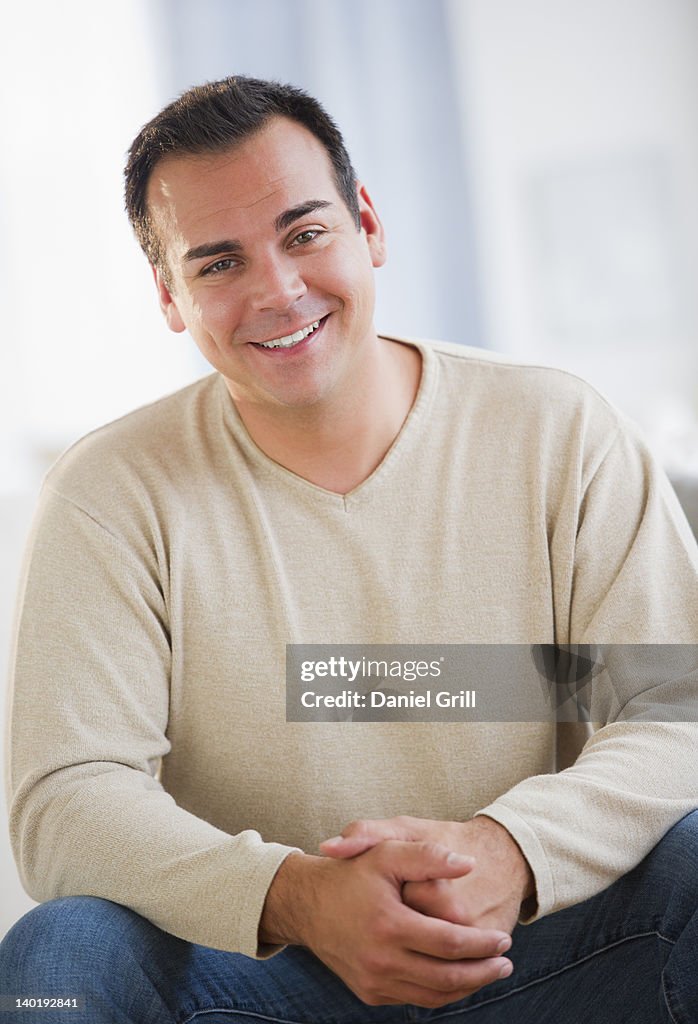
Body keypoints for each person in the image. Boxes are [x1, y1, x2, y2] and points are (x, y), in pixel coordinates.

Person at [1, 75, 697, 1024]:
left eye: (304, 233)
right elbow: (68, 799)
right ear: (169, 296)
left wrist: (511, 851)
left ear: (366, 224)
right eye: (217, 264)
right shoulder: (109, 494)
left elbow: (673, 714)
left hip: (538, 953)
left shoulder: (557, 431)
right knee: (61, 954)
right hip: (259, 983)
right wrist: (295, 896)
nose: (278, 291)